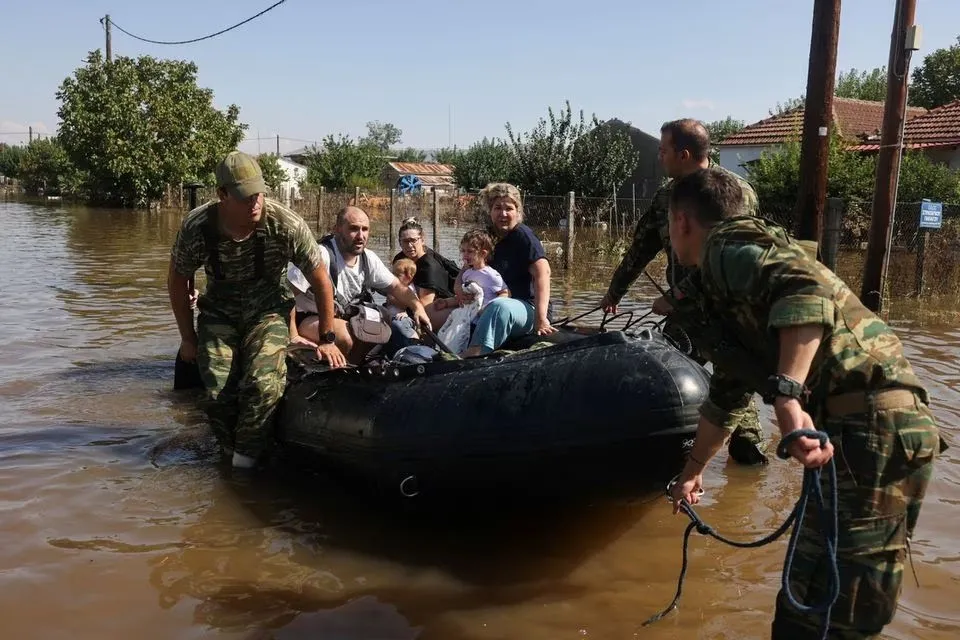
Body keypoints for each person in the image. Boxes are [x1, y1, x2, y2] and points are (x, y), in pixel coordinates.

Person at [659, 167, 945, 639]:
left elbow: (806, 291)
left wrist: (787, 397)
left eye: (669, 226)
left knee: (840, 611)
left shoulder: (726, 249)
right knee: (808, 600)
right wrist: (691, 473)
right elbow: (727, 393)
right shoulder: (731, 287)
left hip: (874, 425)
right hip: (861, 429)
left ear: (683, 222)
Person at [601, 118, 767, 465]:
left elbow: (729, 261)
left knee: (735, 379)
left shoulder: (737, 192)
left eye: (664, 150)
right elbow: (641, 248)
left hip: (726, 309)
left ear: (685, 154)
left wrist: (675, 297)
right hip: (685, 314)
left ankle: (745, 454)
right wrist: (615, 292)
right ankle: (676, 447)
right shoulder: (668, 197)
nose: (659, 156)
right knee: (672, 378)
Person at [168, 150, 346, 470]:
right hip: (219, 314)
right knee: (217, 394)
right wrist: (187, 338)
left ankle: (243, 468)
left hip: (267, 313)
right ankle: (229, 453)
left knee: (263, 386)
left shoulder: (285, 224)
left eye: (260, 193)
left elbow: (321, 280)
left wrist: (328, 337)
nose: (256, 203)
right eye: (245, 196)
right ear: (222, 195)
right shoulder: (198, 227)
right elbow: (177, 280)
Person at [289, 205, 430, 364]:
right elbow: (285, 295)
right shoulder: (319, 255)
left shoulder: (368, 258)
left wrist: (417, 307)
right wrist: (293, 335)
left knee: (388, 324)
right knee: (345, 335)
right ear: (337, 229)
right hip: (310, 319)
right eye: (354, 229)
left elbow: (397, 287)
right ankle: (347, 374)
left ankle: (382, 365)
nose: (360, 236)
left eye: (365, 229)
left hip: (346, 316)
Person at [461, 183, 557, 357]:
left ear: (518, 212)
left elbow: (543, 273)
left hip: (527, 307)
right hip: (489, 304)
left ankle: (475, 353)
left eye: (509, 208)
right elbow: (466, 266)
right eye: (498, 208)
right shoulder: (487, 236)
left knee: (500, 306)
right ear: (490, 211)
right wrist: (459, 292)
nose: (503, 214)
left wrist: (541, 318)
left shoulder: (523, 236)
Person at [393, 217, 459, 329]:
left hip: (439, 305)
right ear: (399, 242)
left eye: (413, 240)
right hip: (411, 300)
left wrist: (408, 312)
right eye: (405, 241)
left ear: (422, 240)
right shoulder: (400, 259)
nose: (409, 245)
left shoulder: (429, 266)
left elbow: (425, 303)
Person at [436, 229, 508, 312]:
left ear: (483, 253)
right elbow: (464, 298)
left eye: (470, 251)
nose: (465, 255)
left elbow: (506, 293)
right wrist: (446, 302)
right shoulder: (467, 273)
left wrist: (488, 308)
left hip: (484, 318)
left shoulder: (491, 275)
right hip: (468, 316)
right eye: (463, 251)